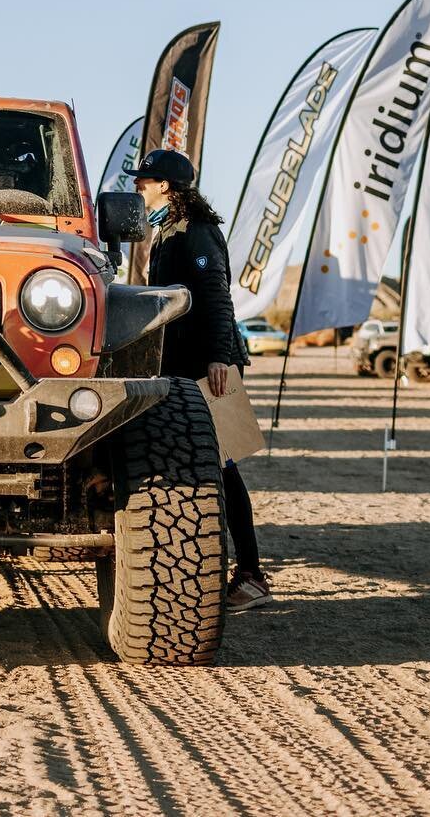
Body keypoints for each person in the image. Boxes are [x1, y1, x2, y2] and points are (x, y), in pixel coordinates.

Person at [130, 146, 272, 612]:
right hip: (181, 362)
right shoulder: (169, 228)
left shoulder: (196, 232)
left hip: (204, 365)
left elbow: (216, 297)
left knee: (224, 466)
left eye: (145, 181)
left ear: (166, 186)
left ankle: (250, 576)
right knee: (210, 466)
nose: (138, 187)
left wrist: (217, 358)